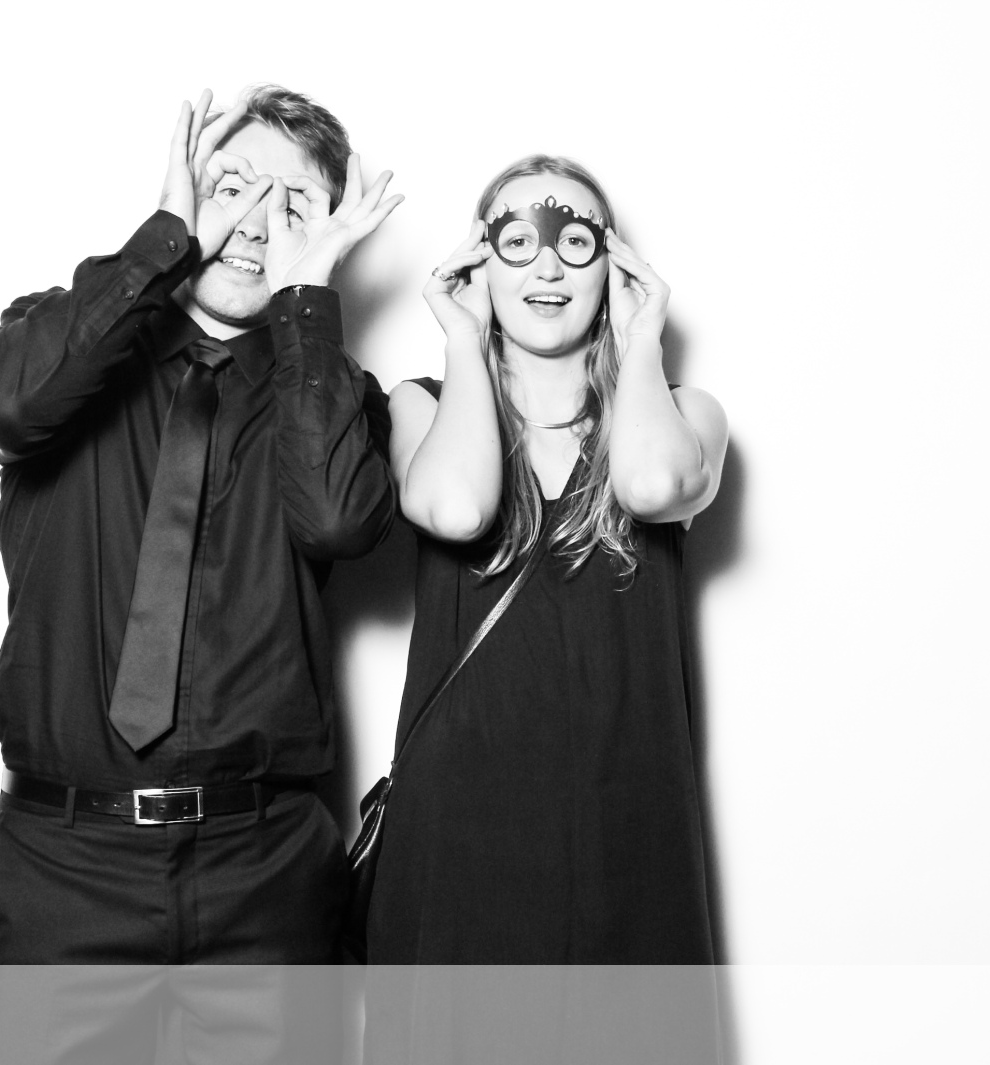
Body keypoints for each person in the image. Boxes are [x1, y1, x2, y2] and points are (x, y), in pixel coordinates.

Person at [0, 84, 400, 1062]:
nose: (255, 222)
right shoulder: (66, 342)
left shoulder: (335, 398)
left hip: (264, 876)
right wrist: (164, 240)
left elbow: (337, 518)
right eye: (232, 187)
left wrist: (307, 304)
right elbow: (1, 398)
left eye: (295, 204)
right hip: (63, 870)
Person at [364, 156, 729, 1062]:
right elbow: (456, 507)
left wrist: (641, 342)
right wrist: (462, 340)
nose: (548, 266)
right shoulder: (421, 407)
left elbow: (651, 485)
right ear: (479, 263)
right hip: (459, 840)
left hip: (628, 833)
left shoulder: (685, 412)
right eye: (516, 241)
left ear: (615, 266)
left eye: (577, 241)